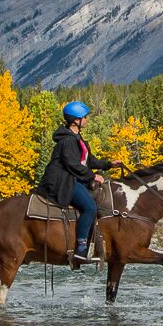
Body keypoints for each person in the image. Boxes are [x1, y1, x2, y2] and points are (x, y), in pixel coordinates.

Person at [37, 100, 116, 267]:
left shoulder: (76, 138)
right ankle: (81, 248)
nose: (87, 119)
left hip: (72, 178)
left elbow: (89, 160)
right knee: (90, 207)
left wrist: (109, 164)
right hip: (63, 182)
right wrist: (92, 177)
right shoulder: (67, 141)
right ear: (76, 120)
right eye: (84, 117)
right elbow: (73, 164)